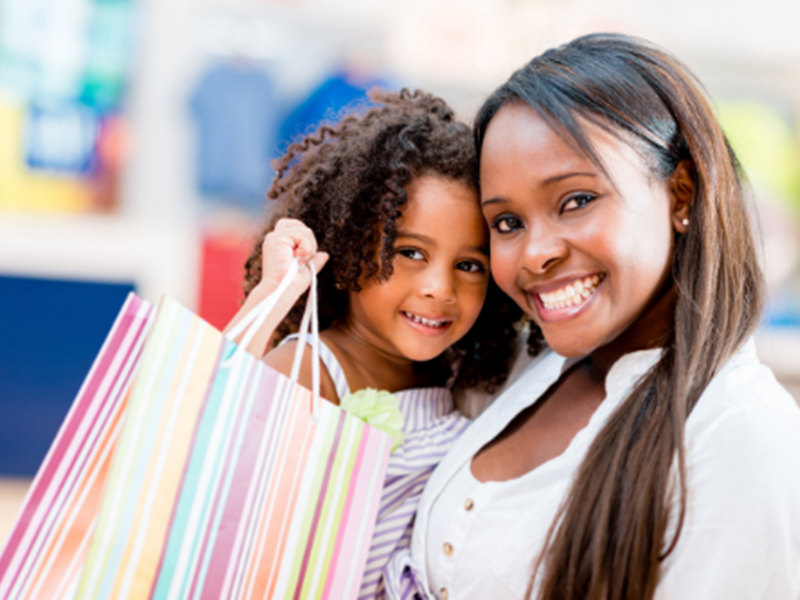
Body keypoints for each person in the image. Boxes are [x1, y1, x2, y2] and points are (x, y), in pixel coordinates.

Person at [385, 33, 800, 600]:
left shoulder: (741, 437)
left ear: (681, 195)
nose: (534, 253)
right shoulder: (531, 364)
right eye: (507, 223)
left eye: (576, 200)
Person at [224, 88, 523, 599]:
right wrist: (272, 298)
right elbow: (207, 425)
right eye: (409, 252)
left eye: (469, 265)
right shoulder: (311, 368)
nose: (439, 288)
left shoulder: (450, 373)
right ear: (349, 242)